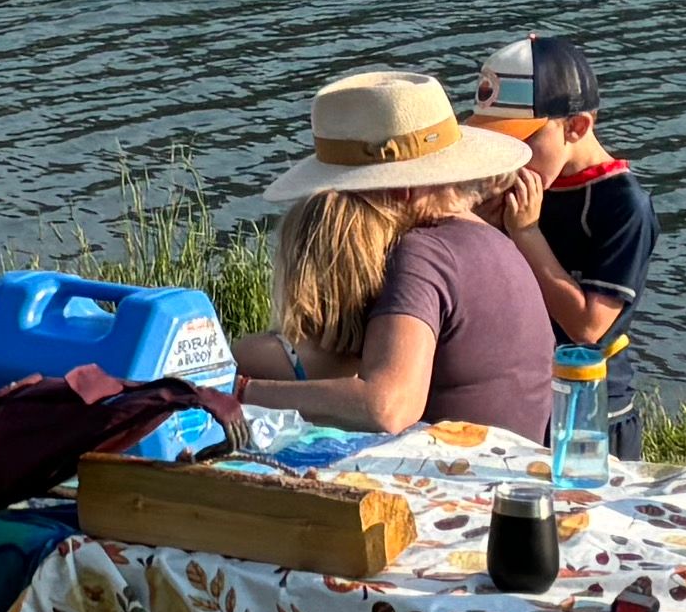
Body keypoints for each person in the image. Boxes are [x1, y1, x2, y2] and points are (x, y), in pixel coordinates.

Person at [230, 66, 560, 436]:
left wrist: (240, 393)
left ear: (401, 188)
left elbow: (387, 406)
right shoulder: (493, 240)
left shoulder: (424, 254)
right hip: (505, 467)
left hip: (451, 481)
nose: (348, 207)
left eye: (352, 194)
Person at [467, 29, 656, 455]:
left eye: (521, 141)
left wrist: (527, 235)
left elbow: (589, 327)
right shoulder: (530, 181)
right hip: (522, 388)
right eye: (496, 141)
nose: (509, 157)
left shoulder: (624, 206)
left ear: (576, 126)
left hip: (590, 408)